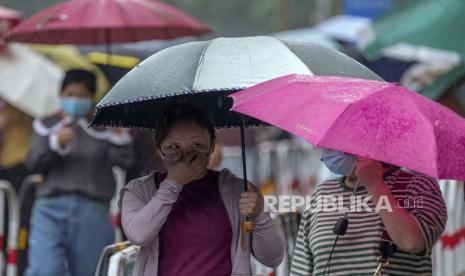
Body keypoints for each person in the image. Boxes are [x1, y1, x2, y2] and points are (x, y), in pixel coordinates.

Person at [119, 103, 284, 276]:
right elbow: (138, 235)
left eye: (197, 145)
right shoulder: (138, 190)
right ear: (159, 149)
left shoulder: (238, 190)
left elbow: (272, 258)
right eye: (173, 147)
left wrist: (258, 215)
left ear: (212, 145)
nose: (186, 156)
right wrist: (173, 183)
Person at [25, 69, 135, 276]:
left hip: (92, 210)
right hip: (50, 208)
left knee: (89, 270)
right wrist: (55, 144)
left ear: (92, 97)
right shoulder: (46, 124)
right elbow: (34, 162)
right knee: (44, 269)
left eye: (81, 96)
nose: (74, 100)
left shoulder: (104, 127)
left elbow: (126, 161)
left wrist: (119, 135)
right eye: (69, 94)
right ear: (61, 95)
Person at [290, 149, 447, 276]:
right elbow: (302, 268)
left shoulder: (418, 186)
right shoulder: (322, 193)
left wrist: (375, 184)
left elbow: (412, 242)